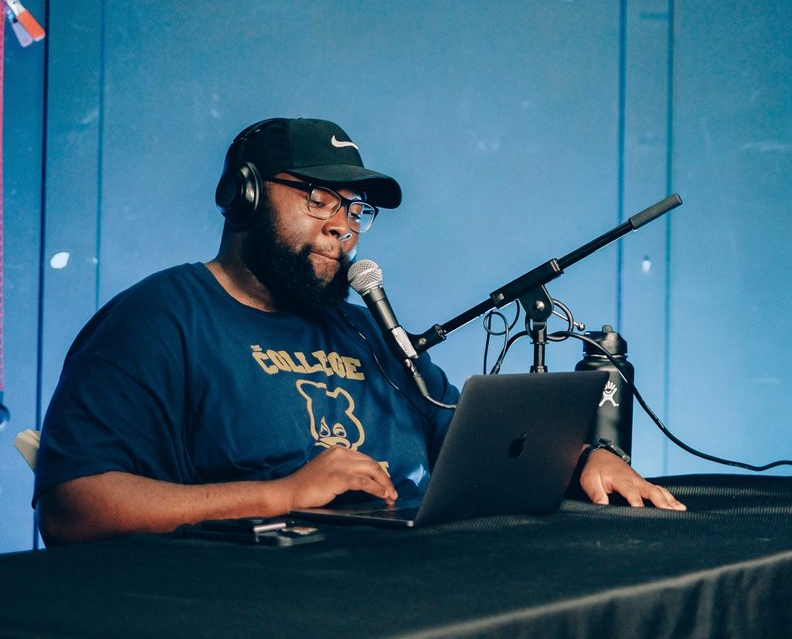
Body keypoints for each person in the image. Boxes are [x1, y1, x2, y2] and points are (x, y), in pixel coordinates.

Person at [34, 117, 684, 545]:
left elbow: (471, 447)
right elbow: (73, 507)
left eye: (354, 208)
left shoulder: (365, 332)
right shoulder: (158, 320)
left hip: (409, 583)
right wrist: (281, 495)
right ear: (245, 197)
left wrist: (580, 458)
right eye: (317, 198)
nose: (343, 225)